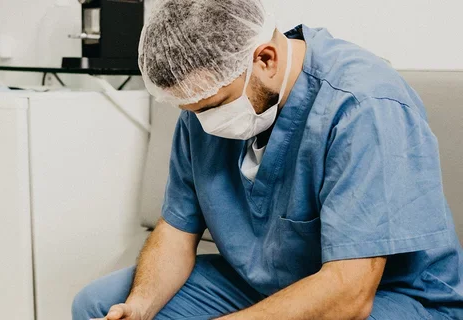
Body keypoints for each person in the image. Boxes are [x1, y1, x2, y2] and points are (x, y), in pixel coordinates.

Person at [72, 0, 463, 319]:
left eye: (213, 106)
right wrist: (140, 307)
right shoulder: (204, 109)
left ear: (266, 59)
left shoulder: (364, 107)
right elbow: (176, 229)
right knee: (97, 304)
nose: (204, 123)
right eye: (193, 111)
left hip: (389, 298)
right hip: (264, 283)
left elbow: (350, 291)